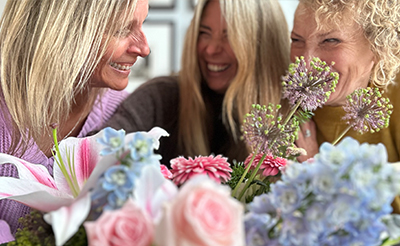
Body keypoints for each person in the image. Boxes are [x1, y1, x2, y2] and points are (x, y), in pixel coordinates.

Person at [0, 0, 150, 236]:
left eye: (143, 24)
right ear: (62, 29)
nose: (144, 49)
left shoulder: (124, 114)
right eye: (122, 29)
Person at [104, 0, 290, 165]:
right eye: (204, 33)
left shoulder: (292, 116)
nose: (211, 49)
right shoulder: (160, 99)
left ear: (262, 46)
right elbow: (94, 153)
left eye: (229, 35)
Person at [291, 0, 400, 212]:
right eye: (296, 40)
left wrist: (325, 177)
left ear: (380, 47)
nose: (305, 62)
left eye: (331, 41)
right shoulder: (286, 106)